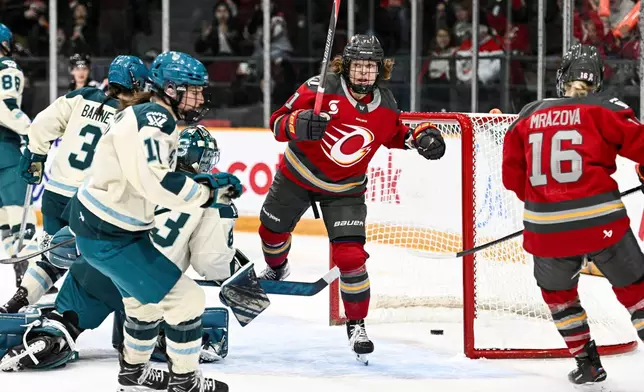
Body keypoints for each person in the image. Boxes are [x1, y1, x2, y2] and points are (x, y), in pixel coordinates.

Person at [257, 34, 446, 362]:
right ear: (345, 65)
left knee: (350, 258)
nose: (363, 73)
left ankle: (356, 323)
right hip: (297, 176)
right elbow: (276, 122)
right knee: (270, 231)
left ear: (379, 70)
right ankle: (277, 268)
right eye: (358, 65)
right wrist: (297, 124)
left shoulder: (385, 104)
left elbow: (397, 134)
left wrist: (421, 138)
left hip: (345, 189)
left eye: (370, 66)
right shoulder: (321, 88)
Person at [65, 50, 239, 392]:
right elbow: (157, 184)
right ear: (171, 89)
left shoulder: (151, 115)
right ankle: (185, 382)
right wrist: (209, 193)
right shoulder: (156, 120)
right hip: (109, 234)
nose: (201, 97)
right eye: (194, 90)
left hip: (111, 227)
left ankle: (133, 375)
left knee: (143, 305)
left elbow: (148, 175)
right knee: (187, 300)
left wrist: (204, 183)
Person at [0, 126, 240, 373]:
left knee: (64, 321)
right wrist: (231, 268)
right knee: (156, 319)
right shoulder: (209, 199)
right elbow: (209, 262)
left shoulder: (132, 172)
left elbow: (62, 248)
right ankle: (161, 337)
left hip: (95, 272)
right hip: (147, 285)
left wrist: (18, 300)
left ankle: (52, 337)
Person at [502, 43, 644, 385]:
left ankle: (587, 363)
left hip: (545, 226)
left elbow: (512, 179)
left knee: (559, 297)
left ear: (561, 78)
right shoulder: (606, 107)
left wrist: (548, 201)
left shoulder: (528, 114)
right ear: (597, 80)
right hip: (600, 221)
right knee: (637, 292)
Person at [0, 55, 149, 313]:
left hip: (55, 195)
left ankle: (17, 302)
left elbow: (41, 126)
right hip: (90, 204)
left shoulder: (82, 97)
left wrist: (36, 155)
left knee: (53, 257)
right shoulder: (134, 117)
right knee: (104, 262)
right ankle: (74, 316)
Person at [0, 23, 37, 287]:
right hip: (6, 149)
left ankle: (20, 271)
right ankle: (31, 283)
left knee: (3, 221)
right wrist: (32, 131)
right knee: (19, 219)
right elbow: (5, 106)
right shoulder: (7, 68)